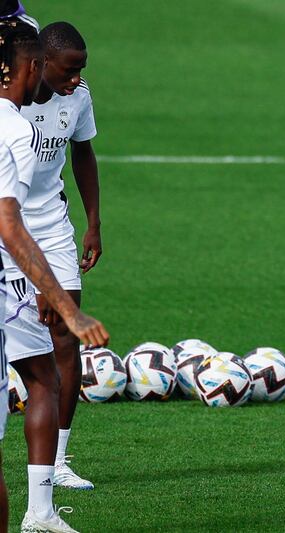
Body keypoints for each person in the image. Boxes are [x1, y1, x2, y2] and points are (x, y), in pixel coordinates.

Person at [0, 19, 109, 533]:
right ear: (33, 66)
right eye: (68, 70)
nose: (75, 80)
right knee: (41, 369)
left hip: (46, 232)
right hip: (15, 252)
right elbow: (8, 222)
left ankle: (50, 481)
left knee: (54, 357)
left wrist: (92, 222)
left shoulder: (73, 100)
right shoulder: (16, 126)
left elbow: (83, 153)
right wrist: (55, 296)